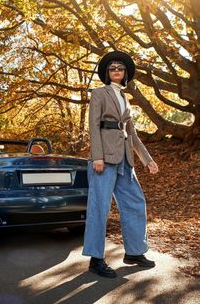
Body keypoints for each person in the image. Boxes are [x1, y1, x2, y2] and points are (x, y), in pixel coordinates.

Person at [82, 51, 159, 278]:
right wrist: (97, 156)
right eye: (112, 68)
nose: (116, 71)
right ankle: (96, 259)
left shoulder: (125, 99)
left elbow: (132, 134)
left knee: (135, 202)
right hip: (103, 159)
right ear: (108, 73)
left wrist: (147, 160)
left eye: (120, 68)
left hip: (125, 160)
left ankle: (134, 252)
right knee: (100, 208)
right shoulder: (99, 93)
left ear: (125, 73)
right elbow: (93, 126)